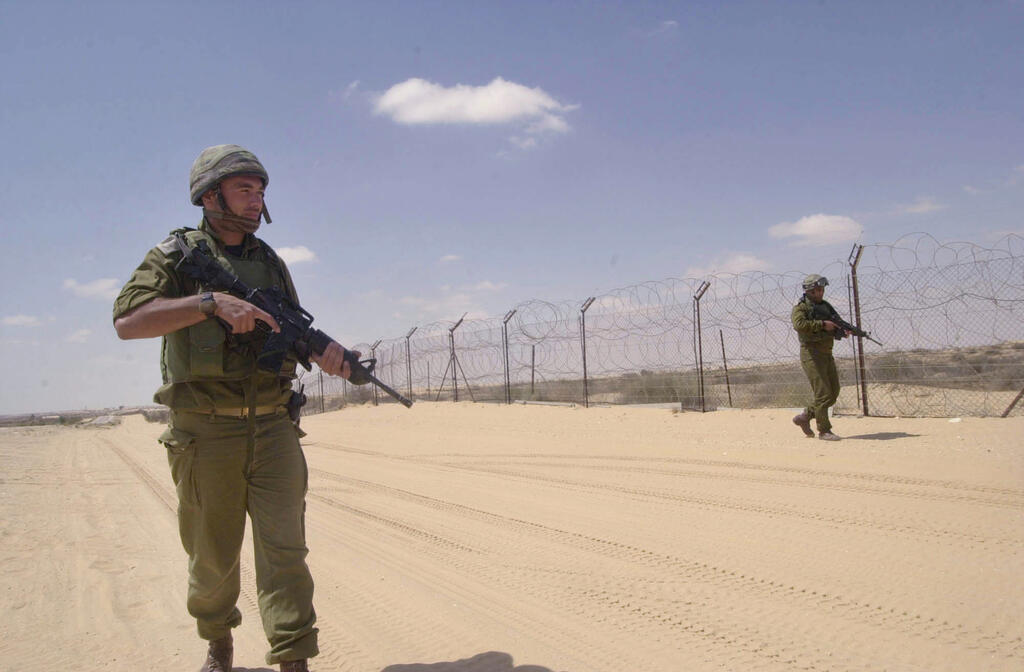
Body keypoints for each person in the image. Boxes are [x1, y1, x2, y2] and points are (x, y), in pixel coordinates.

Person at [113, 145, 354, 672]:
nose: (256, 200)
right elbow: (128, 320)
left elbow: (291, 331)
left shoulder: (269, 262)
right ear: (209, 195)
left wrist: (329, 356)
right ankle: (218, 645)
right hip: (205, 435)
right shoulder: (175, 256)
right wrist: (209, 303)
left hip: (273, 428)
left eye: (260, 191)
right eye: (245, 189)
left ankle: (293, 658)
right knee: (213, 558)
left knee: (286, 553)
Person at [790, 274, 842, 441]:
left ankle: (805, 416)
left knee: (833, 392)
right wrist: (821, 325)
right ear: (809, 291)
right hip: (811, 354)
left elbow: (836, 322)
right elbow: (799, 325)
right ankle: (824, 430)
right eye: (817, 290)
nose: (820, 293)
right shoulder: (801, 308)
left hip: (827, 353)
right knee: (823, 393)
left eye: (822, 290)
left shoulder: (826, 306)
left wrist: (842, 330)